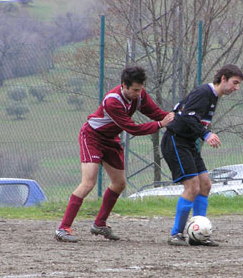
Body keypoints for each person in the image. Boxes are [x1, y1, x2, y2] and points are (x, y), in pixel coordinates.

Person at [55, 65, 174, 242]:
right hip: (92, 137)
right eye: (135, 90)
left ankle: (99, 224)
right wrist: (160, 124)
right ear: (123, 85)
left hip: (111, 139)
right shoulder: (113, 101)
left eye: (140, 89)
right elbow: (132, 128)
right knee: (88, 182)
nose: (138, 93)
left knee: (119, 183)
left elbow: (156, 113)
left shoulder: (139, 95)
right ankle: (63, 228)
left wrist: (175, 117)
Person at [161, 64, 243, 246]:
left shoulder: (213, 96)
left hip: (188, 143)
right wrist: (206, 134)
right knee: (192, 186)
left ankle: (197, 234)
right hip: (176, 140)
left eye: (238, 84)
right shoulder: (203, 92)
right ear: (223, 79)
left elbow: (182, 110)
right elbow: (187, 117)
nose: (236, 88)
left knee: (205, 184)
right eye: (235, 82)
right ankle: (176, 234)